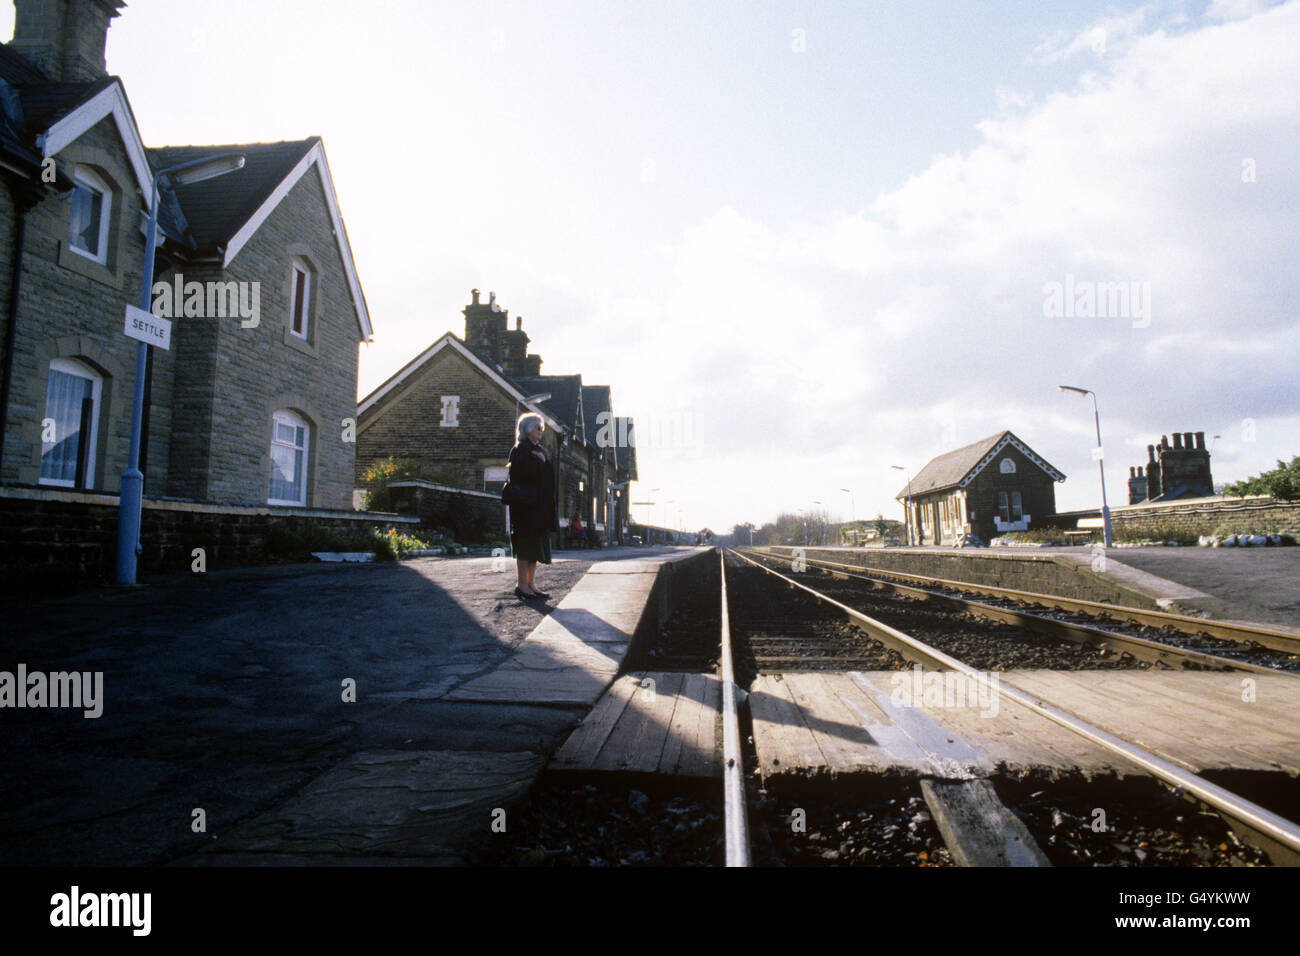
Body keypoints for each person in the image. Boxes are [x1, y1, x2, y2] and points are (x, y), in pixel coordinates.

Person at [505, 413, 558, 600]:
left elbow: (550, 479)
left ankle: (531, 584)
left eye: (542, 428)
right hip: (525, 508)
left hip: (537, 508)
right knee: (526, 547)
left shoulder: (539, 451)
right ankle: (522, 585)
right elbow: (525, 477)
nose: (541, 431)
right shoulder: (520, 450)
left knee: (534, 549)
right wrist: (541, 465)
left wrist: (543, 463)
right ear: (527, 430)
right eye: (538, 428)